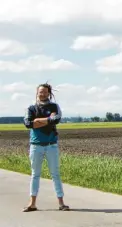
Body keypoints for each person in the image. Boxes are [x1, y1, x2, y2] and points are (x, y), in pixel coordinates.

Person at [22, 83, 69, 212]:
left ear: (49, 93)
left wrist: (37, 121)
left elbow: (56, 119)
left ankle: (61, 203)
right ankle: (32, 203)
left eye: (45, 92)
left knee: (55, 174)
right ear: (37, 93)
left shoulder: (54, 106)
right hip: (36, 146)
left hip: (51, 146)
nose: (42, 94)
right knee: (35, 174)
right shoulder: (31, 108)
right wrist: (47, 119)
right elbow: (28, 124)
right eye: (40, 92)